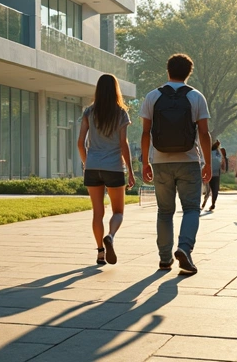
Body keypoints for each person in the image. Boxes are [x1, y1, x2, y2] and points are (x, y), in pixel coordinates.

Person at [140, 53, 213, 276]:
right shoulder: (196, 97)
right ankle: (184, 248)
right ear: (188, 72)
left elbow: (145, 133)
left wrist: (145, 162)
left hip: (160, 161)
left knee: (164, 211)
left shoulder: (152, 96)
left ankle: (164, 259)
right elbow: (203, 132)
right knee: (191, 209)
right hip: (189, 160)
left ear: (168, 70)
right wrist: (207, 163)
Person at [78, 74, 136, 266]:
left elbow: (81, 143)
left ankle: (100, 253)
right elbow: (123, 143)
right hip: (113, 167)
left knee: (97, 213)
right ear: (115, 90)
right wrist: (130, 170)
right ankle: (110, 236)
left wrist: (87, 163)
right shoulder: (121, 113)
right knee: (118, 211)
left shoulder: (89, 112)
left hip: (93, 166)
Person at [201, 140, 223, 211]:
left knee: (208, 189)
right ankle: (213, 203)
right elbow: (221, 161)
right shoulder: (217, 153)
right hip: (216, 173)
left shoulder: (207, 153)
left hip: (208, 172)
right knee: (215, 189)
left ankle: (205, 202)